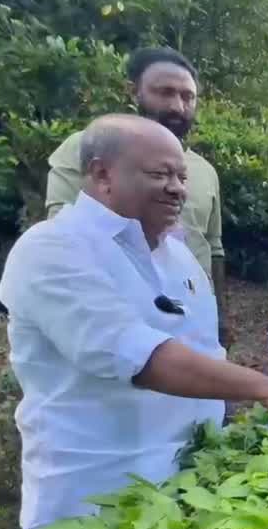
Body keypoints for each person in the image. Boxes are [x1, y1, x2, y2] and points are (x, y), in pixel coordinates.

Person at [0, 115, 268, 529]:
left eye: (181, 176)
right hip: (94, 498)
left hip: (185, 489)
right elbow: (139, 356)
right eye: (159, 174)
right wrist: (267, 388)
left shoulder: (178, 256)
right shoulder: (51, 249)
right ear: (101, 174)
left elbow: (204, 351)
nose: (177, 188)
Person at [45, 47, 234, 347]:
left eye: (188, 96)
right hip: (114, 323)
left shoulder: (205, 171)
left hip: (191, 320)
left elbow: (213, 248)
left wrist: (219, 318)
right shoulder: (87, 149)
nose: (177, 106)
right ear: (133, 92)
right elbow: (61, 236)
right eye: (165, 93)